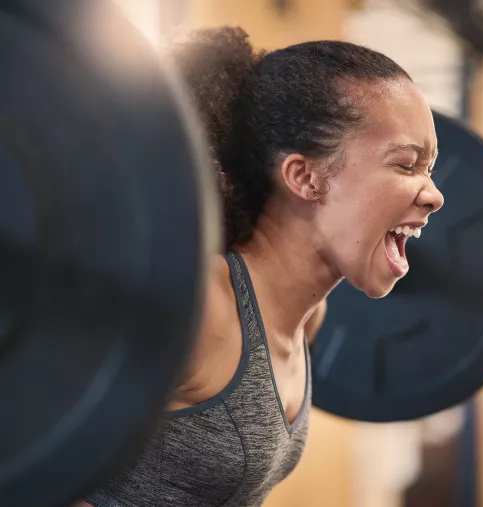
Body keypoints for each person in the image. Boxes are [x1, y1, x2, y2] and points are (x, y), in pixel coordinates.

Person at [82, 25, 444, 507]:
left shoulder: (307, 321)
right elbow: (16, 446)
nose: (435, 195)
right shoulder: (202, 306)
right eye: (406, 165)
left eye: (430, 168)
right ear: (306, 176)